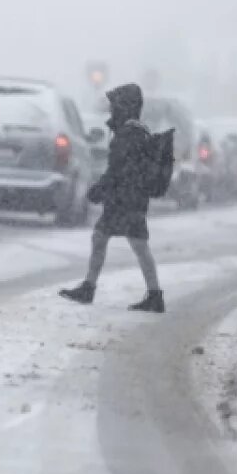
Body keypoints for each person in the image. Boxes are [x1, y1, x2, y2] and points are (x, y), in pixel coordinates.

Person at [60, 83, 165, 312]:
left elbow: (118, 170)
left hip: (123, 200)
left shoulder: (128, 135)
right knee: (130, 243)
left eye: (115, 106)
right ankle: (153, 294)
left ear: (126, 107)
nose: (111, 111)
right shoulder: (138, 131)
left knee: (105, 239)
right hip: (133, 198)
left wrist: (101, 189)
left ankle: (90, 287)